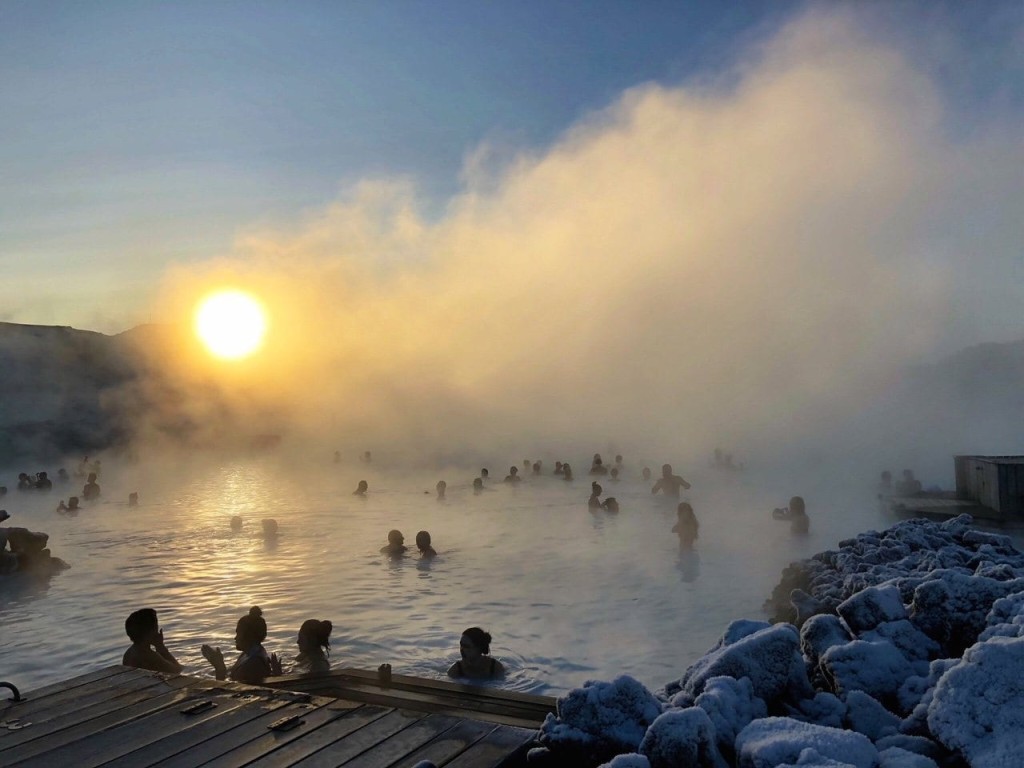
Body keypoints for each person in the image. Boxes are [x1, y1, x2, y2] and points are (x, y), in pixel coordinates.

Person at [202, 606, 282, 684]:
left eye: (238, 633)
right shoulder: (250, 653)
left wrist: (219, 667)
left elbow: (228, 689)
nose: (235, 638)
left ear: (248, 636)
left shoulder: (253, 664)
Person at [122, 608, 183, 674]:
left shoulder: (129, 653)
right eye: (156, 626)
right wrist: (160, 646)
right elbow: (177, 670)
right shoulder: (149, 656)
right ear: (151, 631)